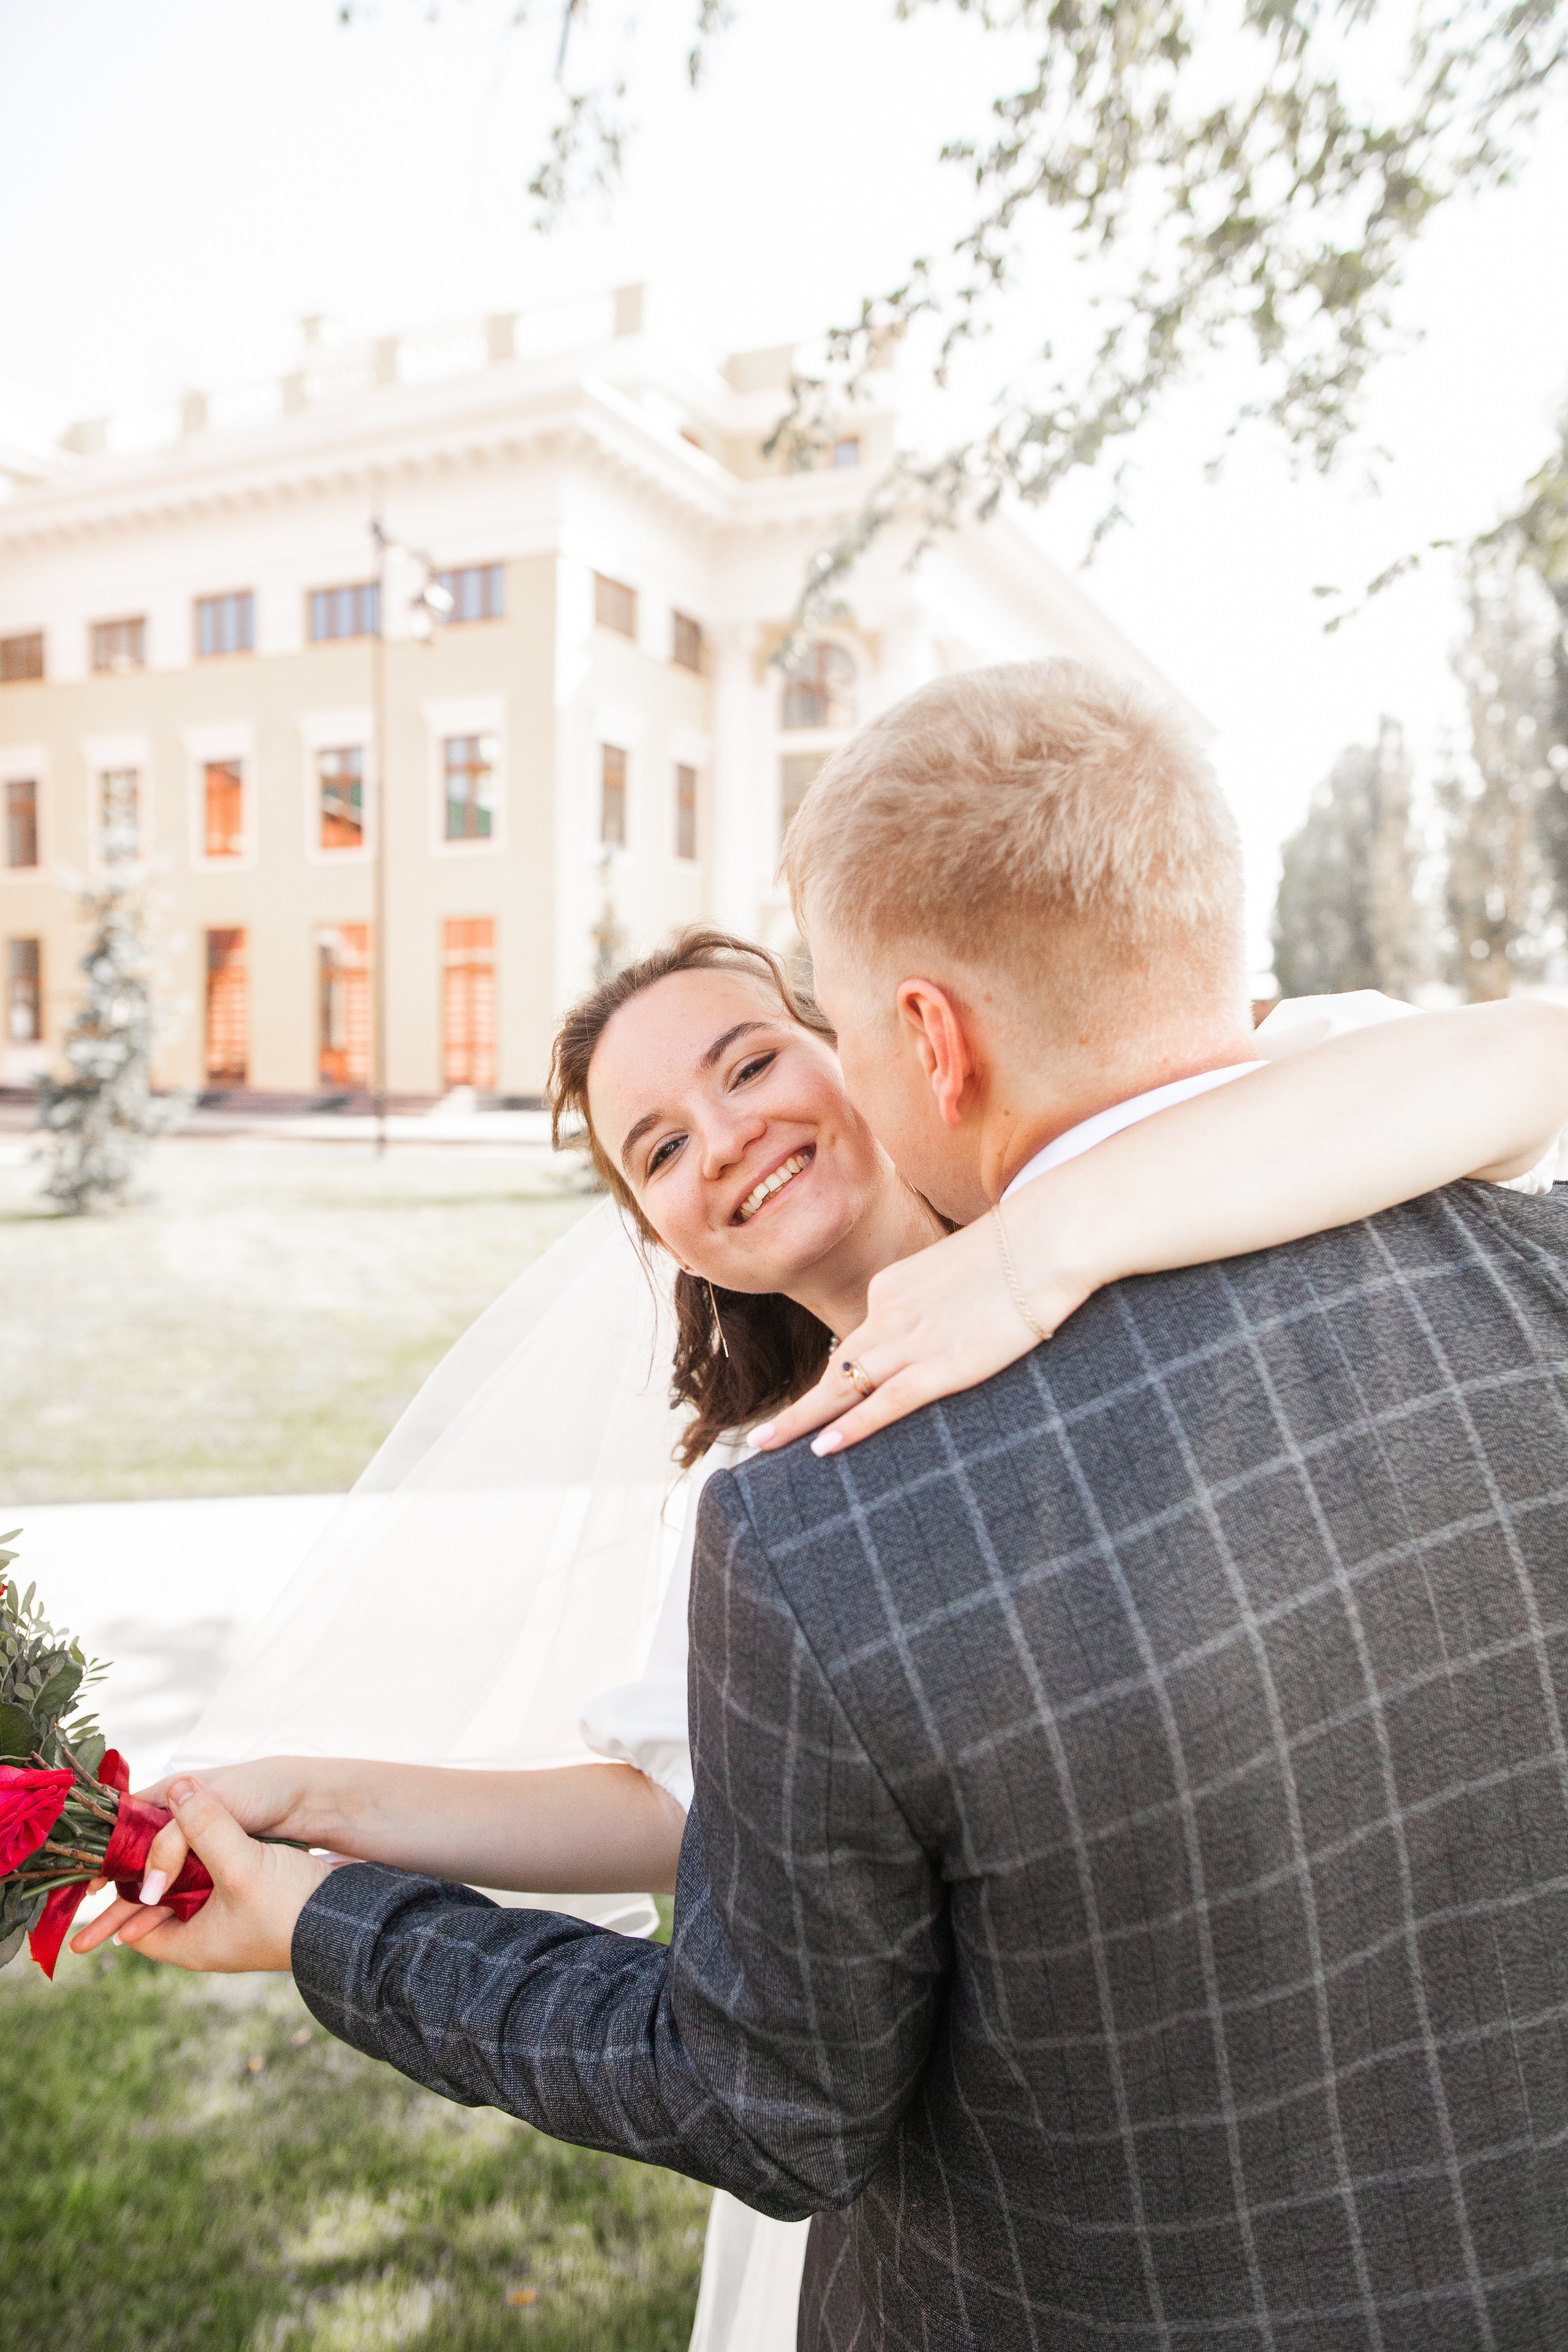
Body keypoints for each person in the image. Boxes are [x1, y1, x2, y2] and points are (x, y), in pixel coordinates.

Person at [83, 662, 1568, 2347]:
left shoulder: (1317, 1143)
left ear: (899, 1043)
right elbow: (693, 1797)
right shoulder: (784, 1507)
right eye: (656, 1149)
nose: (726, 1141)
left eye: (770, 1052)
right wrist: (329, 1802)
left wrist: (1047, 1242)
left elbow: (1524, 1057)